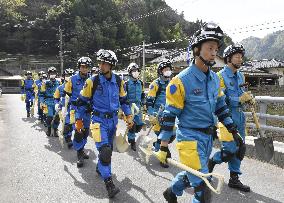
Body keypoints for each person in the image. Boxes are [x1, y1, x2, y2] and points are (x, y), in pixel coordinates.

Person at [157, 22, 245, 203]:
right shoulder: (180, 81)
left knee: (193, 174)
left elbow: (221, 108)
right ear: (197, 50)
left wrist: (234, 132)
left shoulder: (214, 79)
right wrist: (163, 146)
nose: (214, 53)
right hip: (189, 138)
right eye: (210, 48)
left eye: (216, 49)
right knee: (203, 189)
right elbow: (169, 116)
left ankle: (171, 191)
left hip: (207, 138)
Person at [76, 49, 133, 198]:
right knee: (106, 151)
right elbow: (81, 102)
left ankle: (100, 167)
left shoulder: (119, 81)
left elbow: (124, 101)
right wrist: (78, 120)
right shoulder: (92, 81)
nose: (101, 65)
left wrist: (129, 115)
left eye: (104, 63)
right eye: (100, 62)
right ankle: (109, 184)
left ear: (111, 65)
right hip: (98, 121)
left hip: (113, 121)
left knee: (107, 151)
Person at [209, 43, 252, 192]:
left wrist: (248, 99)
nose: (240, 59)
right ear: (228, 58)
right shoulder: (219, 77)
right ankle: (212, 161)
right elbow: (218, 101)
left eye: (241, 56)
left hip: (240, 117)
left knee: (240, 148)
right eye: (237, 56)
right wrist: (238, 100)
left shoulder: (241, 75)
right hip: (225, 117)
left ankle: (234, 179)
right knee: (229, 150)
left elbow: (243, 94)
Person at [146, 59, 174, 167]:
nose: (168, 71)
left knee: (172, 135)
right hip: (157, 114)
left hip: (169, 113)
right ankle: (162, 156)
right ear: (160, 71)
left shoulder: (172, 83)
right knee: (162, 135)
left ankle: (158, 145)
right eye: (165, 69)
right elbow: (149, 101)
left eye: (169, 69)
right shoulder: (155, 84)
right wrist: (151, 115)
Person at [64, 57, 92, 166]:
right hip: (76, 110)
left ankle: (82, 149)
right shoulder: (72, 79)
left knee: (85, 132)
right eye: (82, 67)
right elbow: (67, 93)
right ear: (79, 67)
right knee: (79, 131)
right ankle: (79, 154)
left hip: (87, 110)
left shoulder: (92, 79)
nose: (84, 69)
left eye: (86, 67)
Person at [125, 62, 146, 151]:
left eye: (137, 71)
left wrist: (144, 104)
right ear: (130, 72)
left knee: (139, 125)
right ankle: (132, 141)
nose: (135, 72)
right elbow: (122, 97)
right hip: (130, 106)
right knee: (132, 125)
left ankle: (131, 134)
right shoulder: (126, 84)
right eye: (133, 71)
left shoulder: (140, 83)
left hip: (138, 106)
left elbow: (142, 94)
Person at [54, 68, 74, 142]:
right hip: (64, 108)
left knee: (71, 124)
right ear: (64, 76)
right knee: (67, 123)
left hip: (73, 107)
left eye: (71, 75)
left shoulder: (75, 87)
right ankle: (68, 138)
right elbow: (56, 98)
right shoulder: (59, 87)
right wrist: (56, 104)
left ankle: (68, 135)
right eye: (67, 75)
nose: (69, 77)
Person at [41, 67, 61, 136]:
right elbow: (41, 94)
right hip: (47, 102)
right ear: (48, 74)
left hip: (56, 102)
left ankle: (55, 130)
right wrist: (41, 102)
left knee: (57, 117)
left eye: (54, 73)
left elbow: (62, 92)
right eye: (51, 73)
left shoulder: (59, 82)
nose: (52, 74)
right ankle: (49, 128)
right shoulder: (45, 83)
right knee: (49, 117)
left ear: (56, 74)